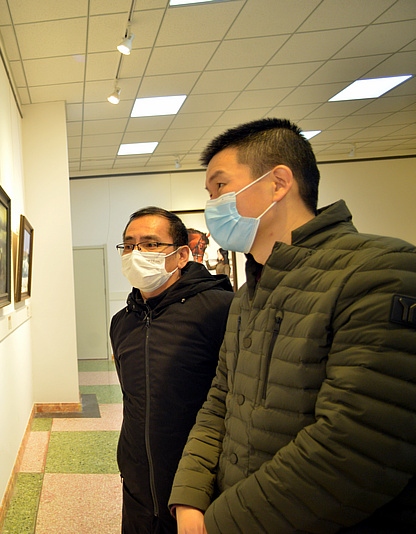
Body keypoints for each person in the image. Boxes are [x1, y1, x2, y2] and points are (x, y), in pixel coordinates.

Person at [169, 118, 416, 533]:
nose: (212, 206)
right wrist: (191, 498)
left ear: (278, 183)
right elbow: (221, 402)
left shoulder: (380, 271)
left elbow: (355, 449)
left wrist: (219, 524)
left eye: (220, 188)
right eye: (208, 195)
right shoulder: (250, 292)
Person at [111, 207, 233, 534]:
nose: (137, 253)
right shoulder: (122, 323)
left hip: (197, 487)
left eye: (151, 244)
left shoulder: (220, 310)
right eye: (129, 245)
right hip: (136, 484)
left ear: (181, 256)